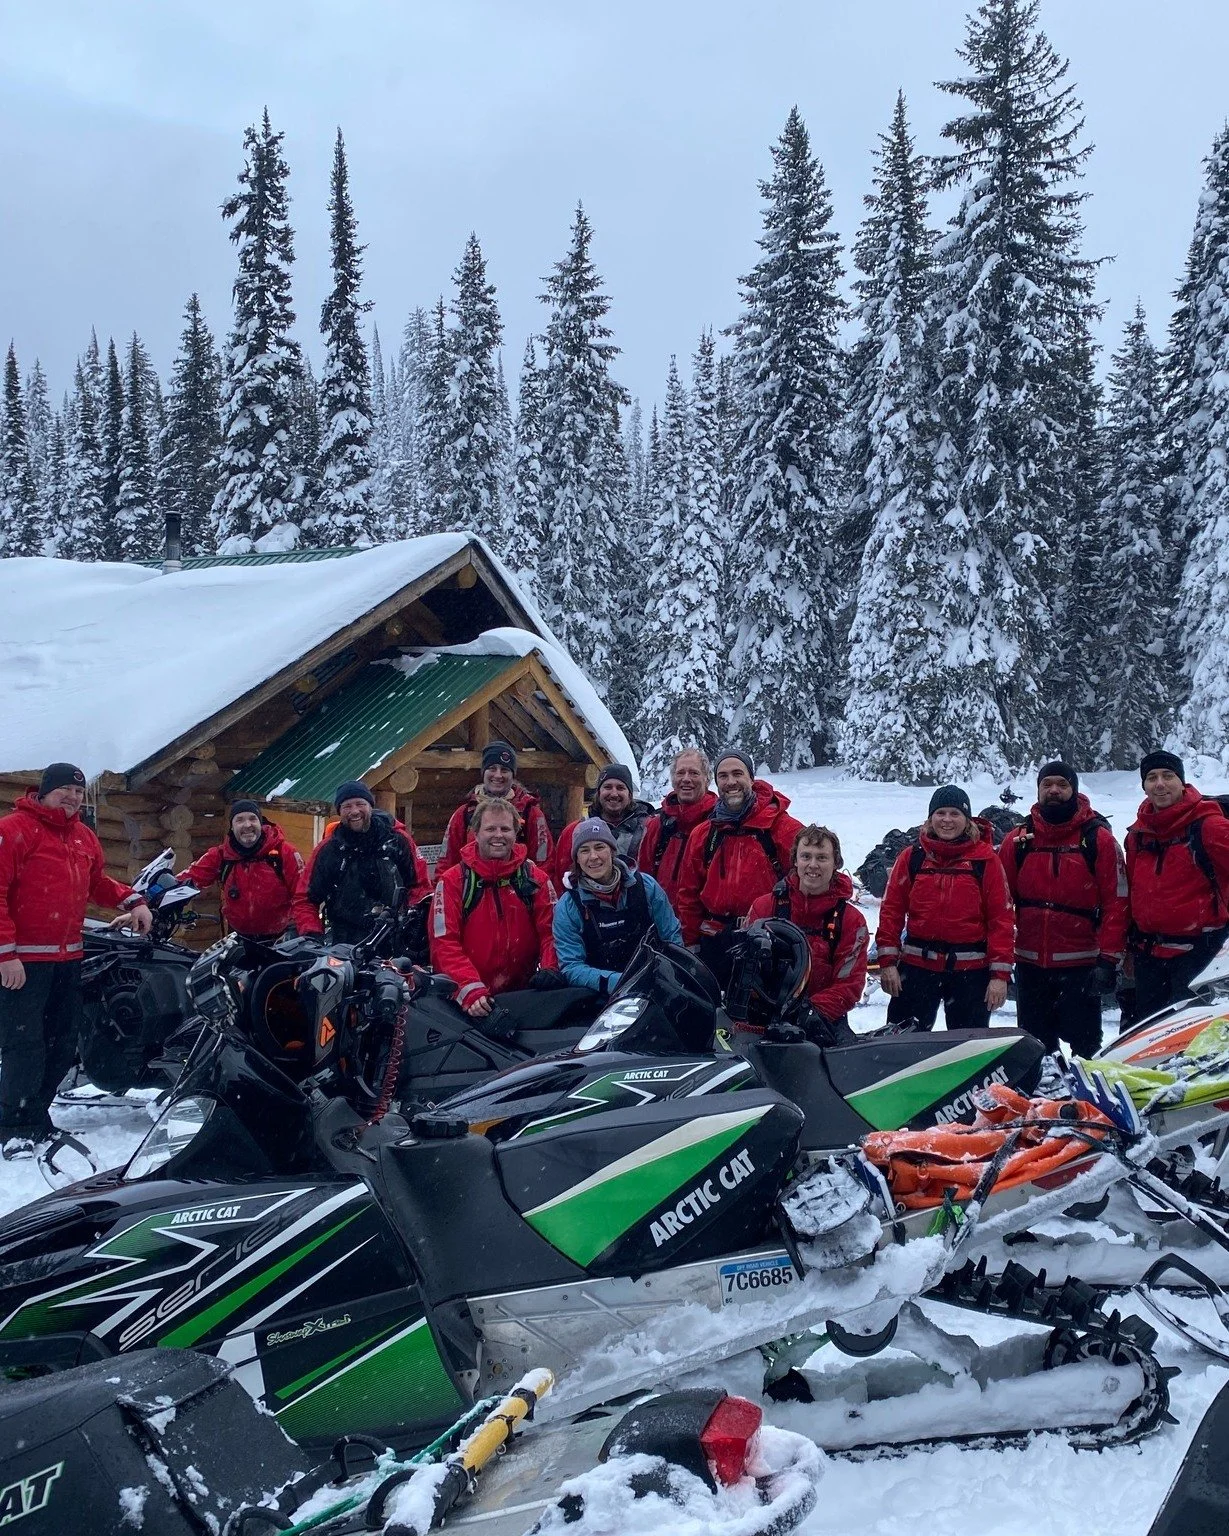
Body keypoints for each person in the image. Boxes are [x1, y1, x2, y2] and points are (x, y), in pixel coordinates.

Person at [0, 763, 153, 1158]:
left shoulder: (83, 837)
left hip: (68, 958)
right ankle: (13, 1127)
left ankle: (36, 1116)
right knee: (24, 1046)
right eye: (64, 789)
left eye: (78, 791)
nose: (72, 797)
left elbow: (96, 883)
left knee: (62, 1042)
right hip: (23, 963)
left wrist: (131, 899)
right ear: (44, 792)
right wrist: (6, 954)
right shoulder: (13, 830)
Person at [999, 762, 1127, 1057]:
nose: (1054, 790)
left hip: (1081, 963)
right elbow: (1000, 904)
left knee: (1085, 1049)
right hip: (1031, 963)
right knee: (1034, 1048)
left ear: (1074, 790)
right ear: (1038, 790)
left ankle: (1083, 1102)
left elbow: (1117, 903)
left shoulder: (1098, 839)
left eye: (1062, 784)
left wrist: (1109, 960)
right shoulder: (1018, 840)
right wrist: (1001, 960)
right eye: (1047, 785)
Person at [876, 785, 1014, 1031]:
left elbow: (1001, 920)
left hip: (970, 972)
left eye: (954, 813)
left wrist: (999, 976)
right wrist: (887, 962)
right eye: (940, 813)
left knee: (966, 1050)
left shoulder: (985, 861)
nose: (947, 820)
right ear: (931, 818)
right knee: (901, 1045)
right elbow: (891, 911)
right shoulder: (913, 857)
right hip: (918, 968)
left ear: (967, 819)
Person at [676, 750, 803, 987]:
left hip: (767, 938)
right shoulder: (704, 834)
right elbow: (688, 895)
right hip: (714, 940)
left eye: (737, 774)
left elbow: (808, 879)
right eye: (723, 776)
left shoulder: (782, 828)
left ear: (751, 779)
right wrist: (690, 942)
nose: (731, 782)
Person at [429, 799, 558, 1015]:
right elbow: (443, 943)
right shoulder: (453, 882)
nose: (498, 835)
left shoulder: (536, 879)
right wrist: (469, 989)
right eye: (490, 829)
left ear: (516, 833)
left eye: (505, 829)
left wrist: (549, 969)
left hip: (524, 995)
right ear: (476, 833)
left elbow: (552, 932)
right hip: (470, 1002)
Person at [1125, 750, 1229, 1019]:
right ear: (1144, 786)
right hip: (1149, 955)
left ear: (1181, 781)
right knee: (1149, 1040)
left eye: (1168, 776)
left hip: (1199, 956)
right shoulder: (1138, 835)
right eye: (1152, 777)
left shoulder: (1209, 826)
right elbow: (1132, 894)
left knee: (1189, 1044)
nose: (1160, 784)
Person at [746, 824, 869, 1042]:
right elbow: (745, 967)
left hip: (822, 1019)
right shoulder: (765, 907)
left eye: (822, 858)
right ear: (795, 860)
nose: (813, 865)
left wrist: (809, 1013)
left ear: (836, 864)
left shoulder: (850, 920)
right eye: (806, 856)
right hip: (764, 1017)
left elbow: (849, 984)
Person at [552, 818, 682, 995]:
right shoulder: (568, 906)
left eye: (600, 847)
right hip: (601, 994)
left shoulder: (646, 887)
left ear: (612, 851)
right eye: (584, 850)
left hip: (654, 985)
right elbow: (571, 966)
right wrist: (622, 982)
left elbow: (671, 938)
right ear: (576, 859)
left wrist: (670, 976)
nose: (593, 857)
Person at [292, 780, 430, 946]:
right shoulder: (329, 850)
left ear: (370, 806)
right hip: (344, 943)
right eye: (347, 806)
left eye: (360, 804)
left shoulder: (397, 841)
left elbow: (420, 888)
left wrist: (413, 923)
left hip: (395, 939)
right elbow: (305, 899)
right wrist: (312, 935)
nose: (354, 811)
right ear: (339, 811)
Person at [179, 799, 304, 941]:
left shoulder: (284, 853)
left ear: (261, 823)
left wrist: (300, 930)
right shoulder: (221, 855)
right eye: (239, 820)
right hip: (239, 939)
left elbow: (304, 895)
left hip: (281, 939)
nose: (247, 825)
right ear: (231, 827)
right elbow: (188, 878)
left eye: (253, 819)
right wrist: (152, 897)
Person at [437, 741, 554, 875]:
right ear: (483, 772)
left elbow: (544, 864)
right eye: (492, 768)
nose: (498, 775)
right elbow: (446, 864)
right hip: (474, 891)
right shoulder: (464, 813)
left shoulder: (531, 813)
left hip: (516, 892)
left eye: (504, 770)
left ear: (513, 775)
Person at [637, 749, 719, 909]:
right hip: (663, 922)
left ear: (707, 779)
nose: (686, 779)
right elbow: (644, 879)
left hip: (704, 925)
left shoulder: (719, 825)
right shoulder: (657, 825)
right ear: (673, 779)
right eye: (680, 773)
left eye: (694, 773)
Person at [553, 765, 657, 885]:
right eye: (607, 787)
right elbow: (561, 876)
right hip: (587, 901)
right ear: (598, 792)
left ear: (630, 794)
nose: (614, 793)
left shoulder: (649, 829)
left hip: (639, 899)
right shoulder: (575, 830)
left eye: (620, 788)